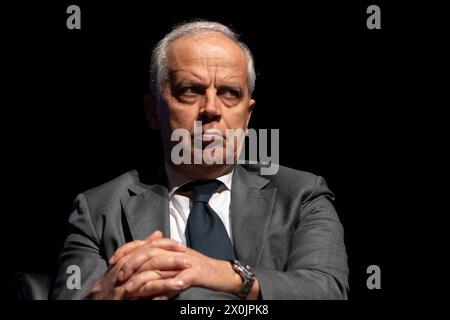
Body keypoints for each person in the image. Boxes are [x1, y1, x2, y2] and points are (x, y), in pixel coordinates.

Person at [52, 20, 349, 300]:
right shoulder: (99, 209)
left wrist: (222, 273)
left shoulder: (301, 195)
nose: (211, 109)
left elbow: (326, 289)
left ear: (247, 116)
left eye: (230, 93)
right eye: (190, 90)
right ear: (152, 110)